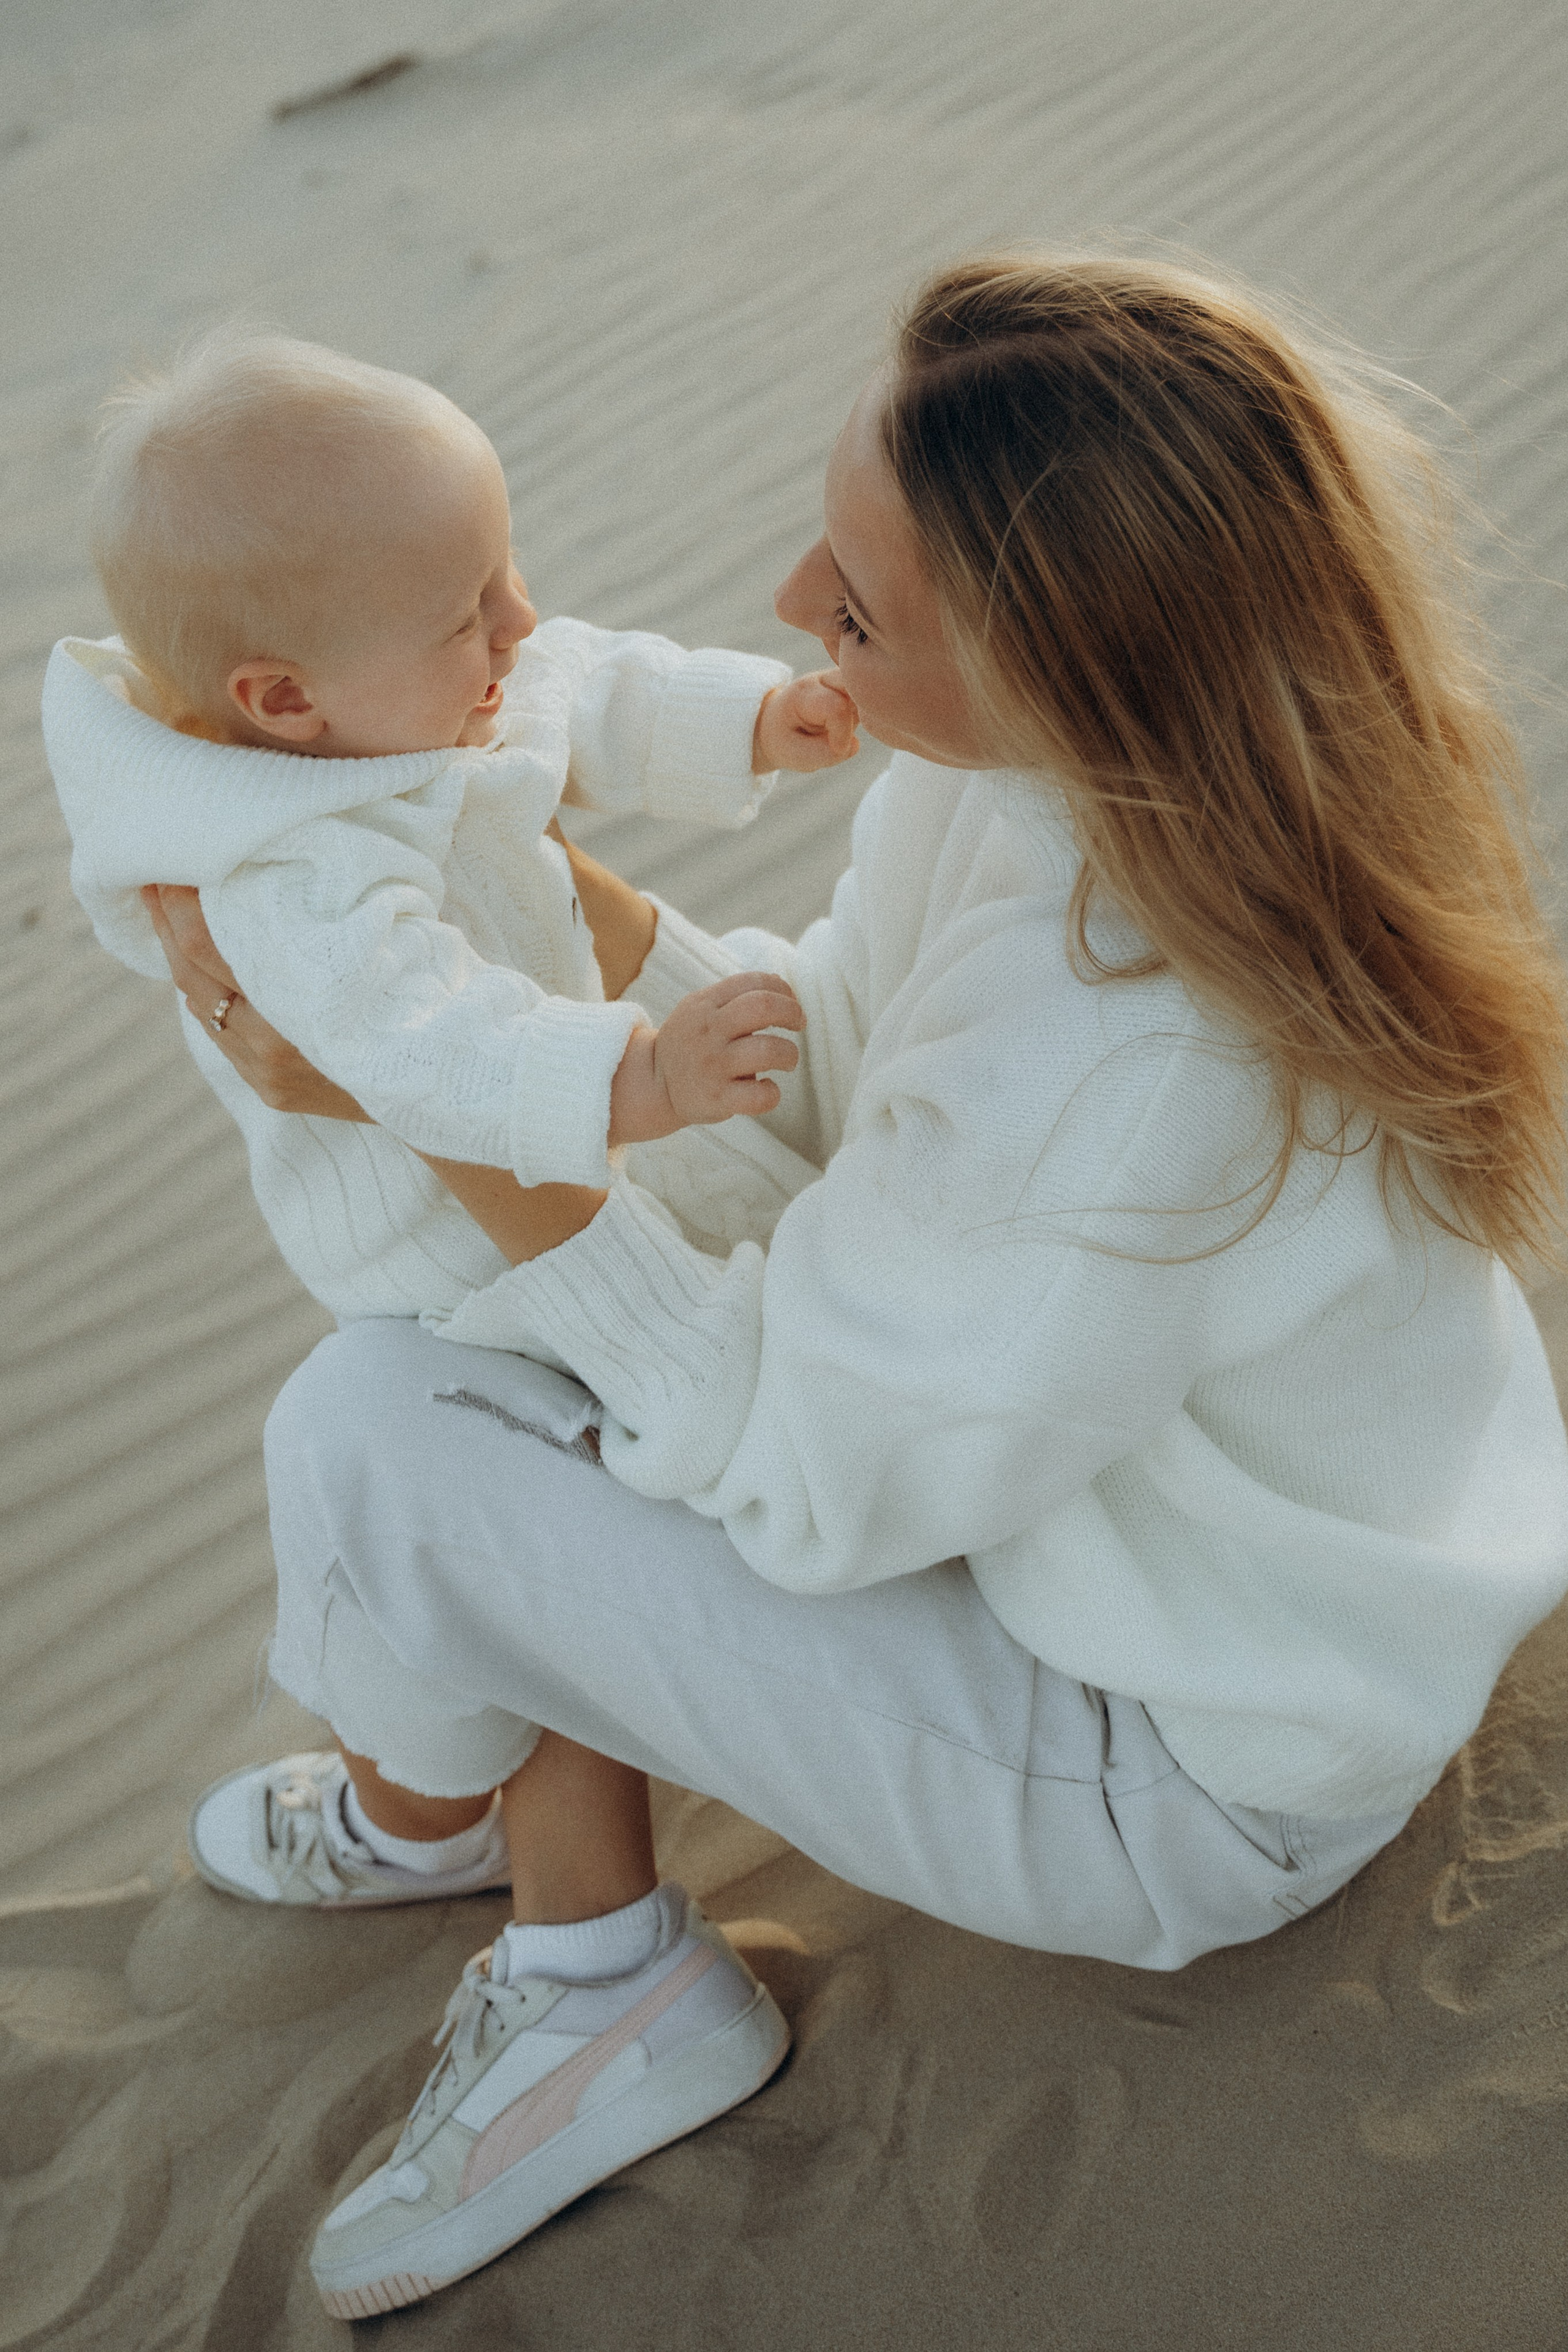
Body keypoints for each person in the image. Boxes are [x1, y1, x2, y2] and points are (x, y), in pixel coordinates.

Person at [146, 254, 1568, 2320]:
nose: (798, 596)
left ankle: (581, 1963)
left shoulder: (1137, 1057)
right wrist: (525, 927)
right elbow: (835, 1057)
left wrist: (414, 1087)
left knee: (384, 1420)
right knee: (508, 1310)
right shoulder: (1106, 782)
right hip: (1253, 1577)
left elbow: (806, 1467)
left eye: (863, 604)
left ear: (1072, 662)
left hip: (1187, 1776)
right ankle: (446, 1783)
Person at [45, 330, 858, 1332]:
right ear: (288, 696)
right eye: (466, 612)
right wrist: (639, 1076)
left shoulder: (408, 694)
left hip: (577, 1111)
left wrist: (758, 720)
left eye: (504, 568)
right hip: (452, 1254)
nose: (519, 617)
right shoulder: (292, 880)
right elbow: (431, 1039)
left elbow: (590, 685)